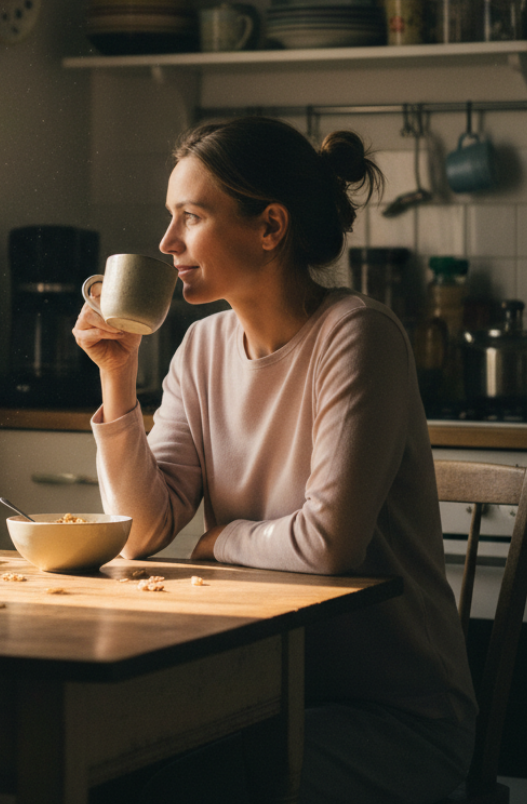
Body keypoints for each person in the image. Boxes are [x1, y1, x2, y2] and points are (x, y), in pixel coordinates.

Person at [73, 116, 476, 804]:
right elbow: (140, 532)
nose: (167, 242)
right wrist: (117, 376)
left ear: (270, 227)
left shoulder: (358, 336)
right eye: (170, 217)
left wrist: (222, 539)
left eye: (191, 216)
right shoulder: (201, 350)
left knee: (174, 788)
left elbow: (328, 544)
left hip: (394, 719)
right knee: (103, 765)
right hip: (263, 696)